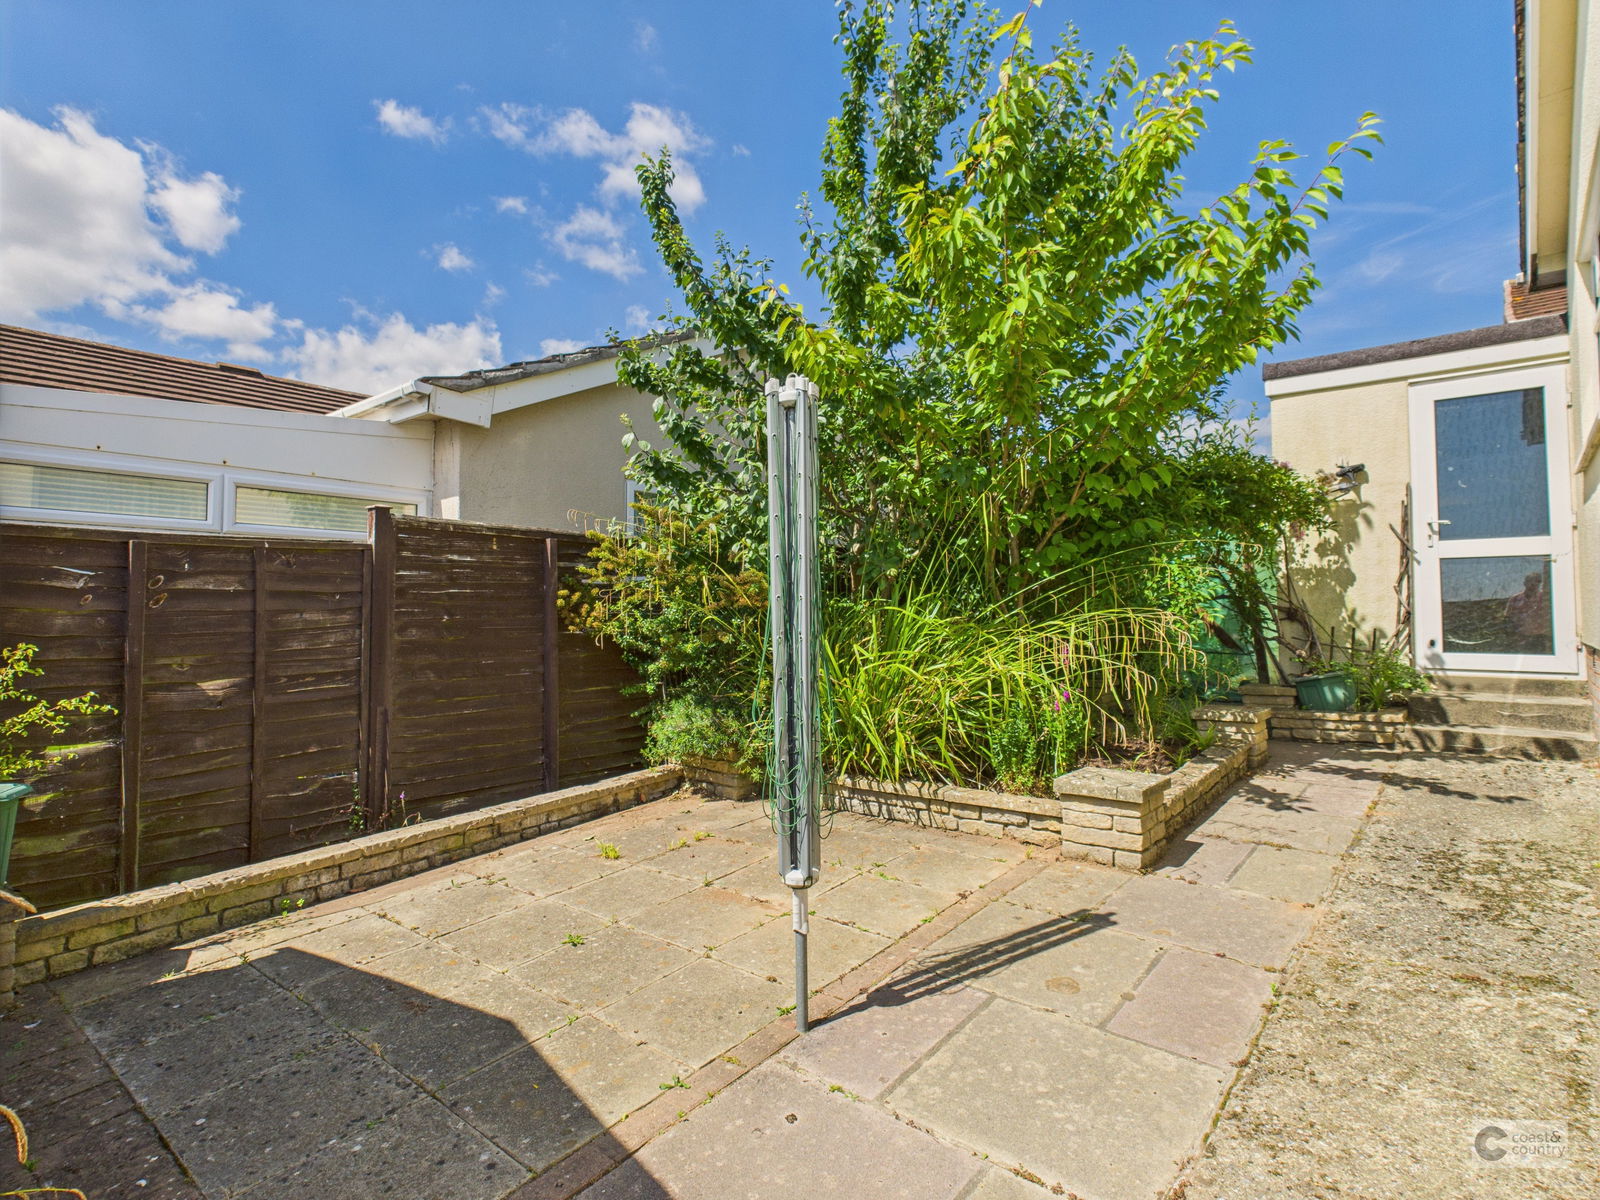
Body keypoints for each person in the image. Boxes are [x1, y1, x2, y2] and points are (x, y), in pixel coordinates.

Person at [1504, 571, 1551, 654]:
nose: (1534, 583)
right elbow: (1507, 619)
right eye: (1530, 581)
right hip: (1520, 639)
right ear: (1525, 583)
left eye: (1537, 581)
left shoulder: (1545, 598)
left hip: (1540, 638)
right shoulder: (1514, 599)